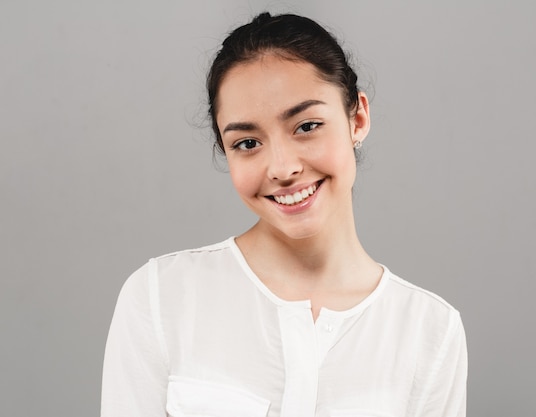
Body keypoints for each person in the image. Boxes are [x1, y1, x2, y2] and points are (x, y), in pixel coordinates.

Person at [101, 12, 467, 417]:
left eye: (307, 125)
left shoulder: (429, 332)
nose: (281, 168)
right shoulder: (161, 298)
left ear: (357, 119)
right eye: (247, 143)